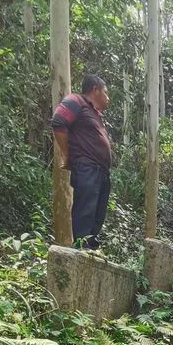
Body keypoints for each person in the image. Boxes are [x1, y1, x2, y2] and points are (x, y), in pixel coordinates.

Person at [50, 74, 112, 250]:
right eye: (106, 92)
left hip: (101, 171)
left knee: (97, 217)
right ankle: (81, 255)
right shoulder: (76, 100)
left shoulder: (94, 113)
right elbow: (58, 121)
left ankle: (90, 254)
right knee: (85, 214)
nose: (108, 98)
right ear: (95, 90)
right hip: (87, 168)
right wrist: (67, 154)